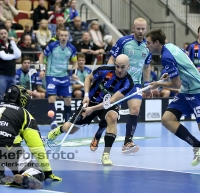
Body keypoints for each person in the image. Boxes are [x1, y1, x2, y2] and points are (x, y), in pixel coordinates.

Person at [47, 54, 134, 165]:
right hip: (92, 100)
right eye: (117, 66)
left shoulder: (128, 83)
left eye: (123, 67)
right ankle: (57, 130)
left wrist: (92, 109)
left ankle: (106, 155)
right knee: (71, 129)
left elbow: (110, 101)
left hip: (108, 105)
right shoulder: (104, 70)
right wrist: (86, 95)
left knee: (113, 118)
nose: (119, 70)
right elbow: (88, 78)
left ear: (128, 66)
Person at [90, 18, 152, 153]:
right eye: (138, 28)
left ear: (146, 29)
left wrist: (146, 83)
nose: (140, 31)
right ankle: (98, 134)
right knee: (111, 115)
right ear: (133, 28)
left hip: (135, 84)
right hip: (119, 83)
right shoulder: (123, 41)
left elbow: (147, 66)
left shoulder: (148, 46)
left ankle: (127, 142)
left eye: (143, 29)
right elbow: (112, 59)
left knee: (135, 110)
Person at [146, 28, 200, 166]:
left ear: (157, 43)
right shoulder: (171, 46)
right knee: (167, 119)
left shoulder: (165, 57)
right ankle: (197, 145)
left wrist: (159, 84)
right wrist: (168, 73)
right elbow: (182, 59)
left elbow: (176, 85)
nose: (147, 46)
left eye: (148, 43)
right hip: (186, 90)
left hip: (197, 90)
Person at [0, 85, 61, 189]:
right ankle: (26, 176)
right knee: (37, 173)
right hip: (8, 149)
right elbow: (37, 147)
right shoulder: (25, 114)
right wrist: (47, 171)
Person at [39, 29, 78, 129]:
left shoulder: (71, 48)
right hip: (51, 75)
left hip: (64, 76)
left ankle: (67, 122)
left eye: (66, 35)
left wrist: (74, 73)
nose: (64, 37)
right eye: (62, 35)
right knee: (52, 98)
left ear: (68, 36)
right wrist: (42, 69)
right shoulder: (52, 46)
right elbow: (42, 56)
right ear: (58, 36)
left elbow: (75, 62)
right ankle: (53, 121)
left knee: (68, 100)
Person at [0, 28, 21, 100]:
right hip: (2, 76)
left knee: (12, 96)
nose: (3, 35)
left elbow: (18, 54)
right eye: (1, 34)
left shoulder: (11, 43)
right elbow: (4, 56)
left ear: (8, 34)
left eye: (5, 33)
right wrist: (14, 56)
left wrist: (13, 43)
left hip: (12, 75)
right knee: (1, 96)